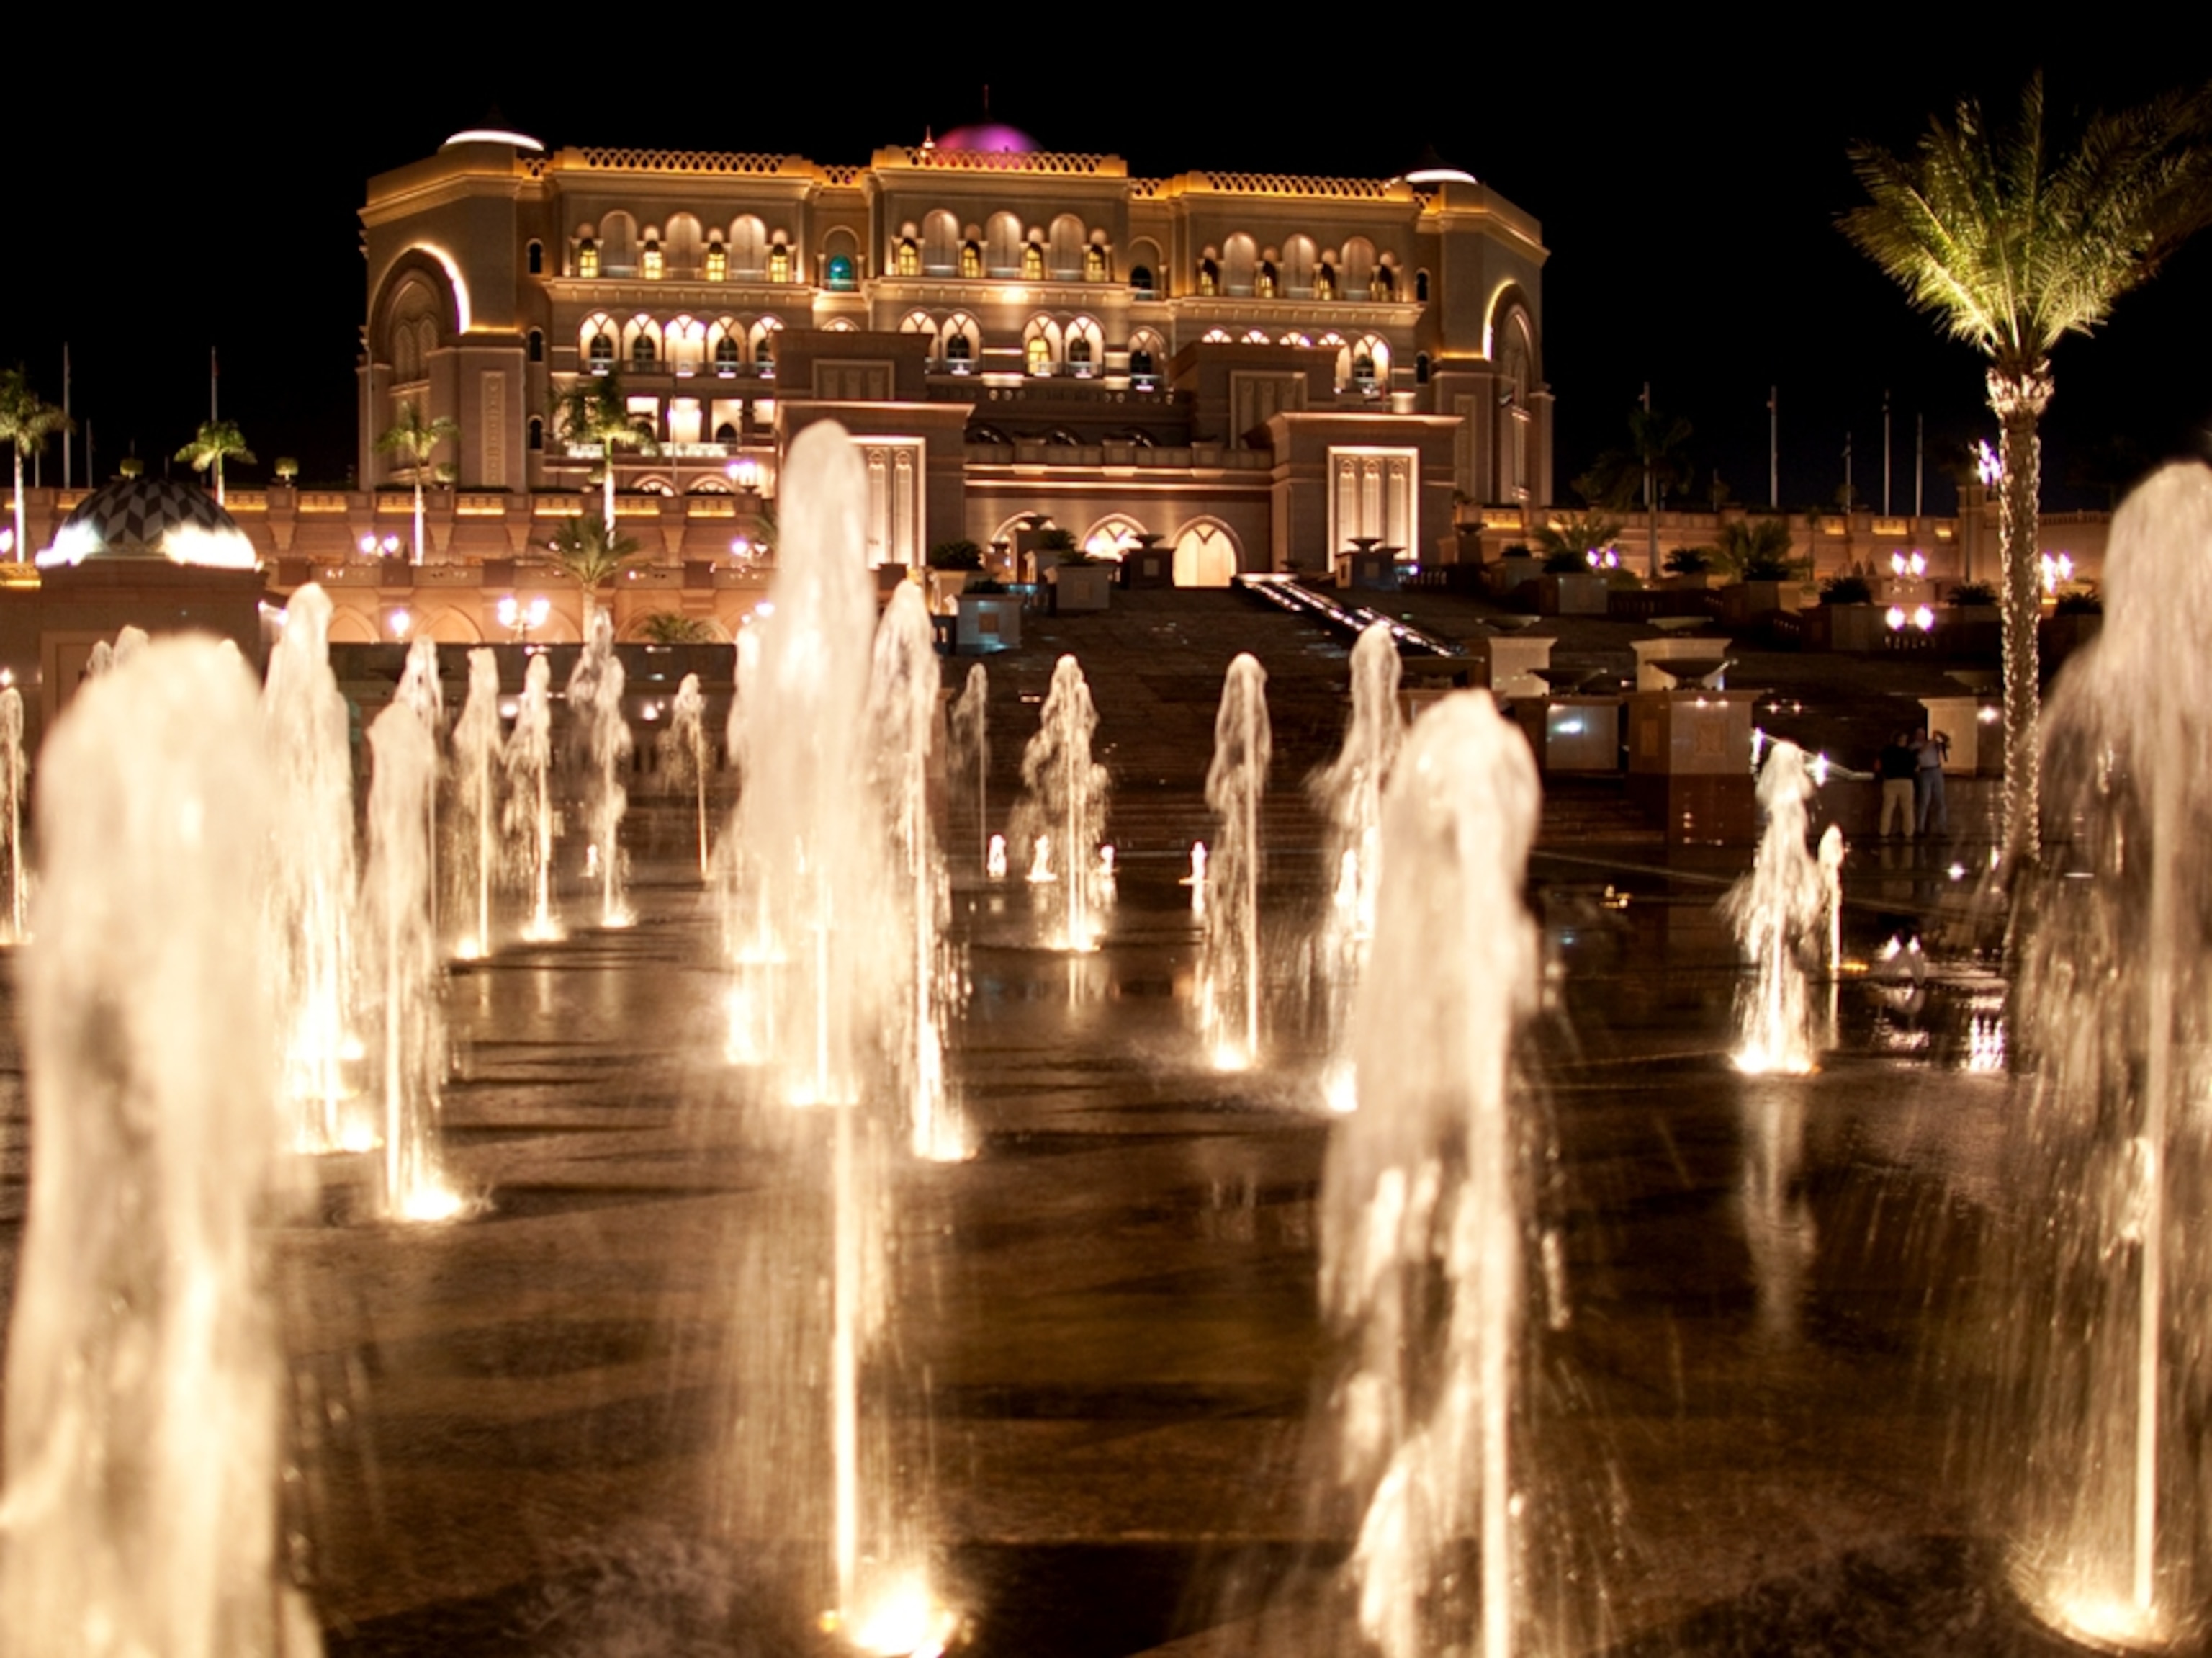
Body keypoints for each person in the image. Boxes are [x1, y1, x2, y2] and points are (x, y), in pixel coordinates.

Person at [1879, 730, 1918, 838]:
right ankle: (1909, 832)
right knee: (1908, 809)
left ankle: (1884, 832)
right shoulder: (1909, 753)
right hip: (1906, 782)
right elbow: (1915, 767)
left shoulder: (1887, 752)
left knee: (1888, 808)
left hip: (1890, 781)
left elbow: (1880, 766)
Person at [1915, 725, 1951, 837]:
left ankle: (1942, 828)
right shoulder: (1914, 746)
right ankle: (1920, 828)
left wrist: (1941, 735)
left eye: (1923, 733)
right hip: (1924, 772)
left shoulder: (1934, 745)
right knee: (1924, 801)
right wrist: (1932, 740)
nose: (1922, 736)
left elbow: (1948, 744)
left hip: (1936, 770)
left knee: (1940, 801)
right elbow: (1921, 751)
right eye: (1919, 734)